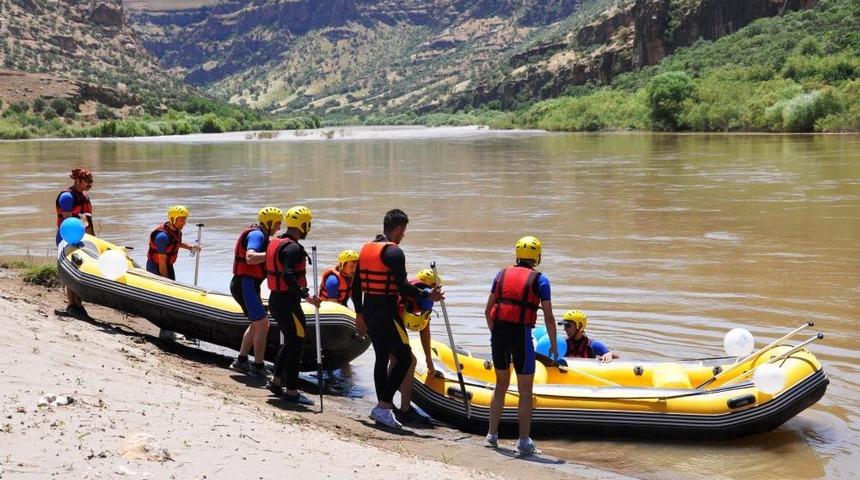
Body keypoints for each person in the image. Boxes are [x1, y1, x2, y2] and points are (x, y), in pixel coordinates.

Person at [352, 209, 443, 429]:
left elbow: (356, 286)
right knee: (404, 357)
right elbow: (402, 287)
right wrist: (426, 295)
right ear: (399, 229)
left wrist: (359, 313)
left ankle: (383, 408)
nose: (403, 235)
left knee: (382, 357)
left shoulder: (365, 249)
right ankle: (383, 407)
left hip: (370, 309)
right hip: (386, 310)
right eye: (404, 231)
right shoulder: (394, 252)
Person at [484, 235, 556, 456]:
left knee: (500, 386)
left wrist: (494, 334)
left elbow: (488, 310)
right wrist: (553, 346)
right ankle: (523, 441)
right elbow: (549, 318)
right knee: (525, 392)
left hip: (499, 335)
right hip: (521, 335)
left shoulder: (501, 274)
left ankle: (491, 437)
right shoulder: (541, 281)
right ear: (537, 256)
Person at [264, 206, 321, 405]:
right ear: (303, 225)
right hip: (287, 303)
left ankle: (276, 381)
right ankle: (292, 391)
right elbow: (287, 274)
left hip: (276, 300)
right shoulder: (293, 248)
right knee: (296, 344)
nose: (309, 228)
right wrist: (307, 296)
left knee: (290, 341)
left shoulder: (277, 242)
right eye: (308, 224)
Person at [229, 207, 283, 378]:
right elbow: (250, 257)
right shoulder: (257, 235)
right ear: (268, 222)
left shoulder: (261, 234)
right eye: (277, 223)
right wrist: (273, 255)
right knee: (263, 324)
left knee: (256, 323)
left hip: (249, 284)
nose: (279, 227)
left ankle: (241, 361)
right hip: (246, 284)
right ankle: (258, 366)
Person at [145, 205, 200, 340]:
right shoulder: (162, 237)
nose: (184, 223)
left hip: (168, 265)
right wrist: (165, 281)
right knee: (164, 296)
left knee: (171, 296)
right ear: (173, 219)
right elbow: (162, 261)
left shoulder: (175, 231)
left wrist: (189, 247)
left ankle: (170, 328)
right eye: (181, 220)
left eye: (185, 220)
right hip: (156, 266)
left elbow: (176, 243)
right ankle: (164, 331)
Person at [393, 268, 439, 426]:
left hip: (384, 319)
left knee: (395, 360)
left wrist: (428, 359)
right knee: (409, 361)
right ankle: (404, 410)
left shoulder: (416, 293)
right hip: (388, 320)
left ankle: (388, 404)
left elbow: (424, 328)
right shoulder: (424, 295)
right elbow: (422, 327)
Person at [55, 168, 95, 318]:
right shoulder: (67, 197)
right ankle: (71, 304)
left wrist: (93, 240)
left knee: (81, 269)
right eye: (87, 181)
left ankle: (78, 304)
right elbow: (67, 223)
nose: (90, 184)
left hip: (81, 238)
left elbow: (87, 221)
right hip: (67, 238)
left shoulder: (85, 197)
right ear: (77, 181)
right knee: (70, 271)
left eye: (91, 181)